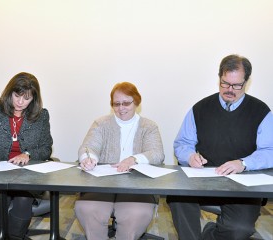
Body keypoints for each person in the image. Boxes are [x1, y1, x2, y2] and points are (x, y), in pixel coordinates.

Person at [167, 54, 273, 240]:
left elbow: (270, 151)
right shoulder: (200, 108)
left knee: (239, 229)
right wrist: (190, 156)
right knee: (178, 198)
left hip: (243, 184)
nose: (229, 90)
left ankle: (209, 233)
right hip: (204, 179)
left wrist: (243, 163)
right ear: (219, 78)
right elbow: (182, 143)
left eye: (236, 85)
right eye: (224, 83)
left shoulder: (261, 112)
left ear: (246, 82)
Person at [75, 82, 165, 240]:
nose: (121, 108)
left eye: (126, 103)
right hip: (103, 186)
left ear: (136, 102)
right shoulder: (101, 124)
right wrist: (89, 159)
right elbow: (88, 147)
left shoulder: (149, 126)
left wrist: (133, 159)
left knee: (137, 213)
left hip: (136, 187)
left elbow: (157, 154)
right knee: (86, 207)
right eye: (116, 104)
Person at [0, 72, 53, 239]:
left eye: (27, 98)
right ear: (9, 92)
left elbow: (46, 148)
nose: (20, 102)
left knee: (22, 201)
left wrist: (28, 154)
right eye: (17, 95)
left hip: (28, 176)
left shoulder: (41, 115)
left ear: (34, 99)